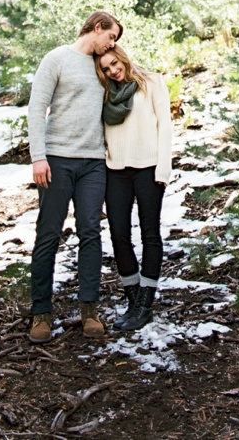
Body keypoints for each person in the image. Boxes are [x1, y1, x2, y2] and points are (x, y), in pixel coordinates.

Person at [26, 9, 122, 345]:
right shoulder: (57, 59)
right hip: (56, 160)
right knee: (49, 235)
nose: (112, 44)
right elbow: (37, 108)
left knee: (91, 233)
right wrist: (38, 156)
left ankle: (89, 309)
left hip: (93, 162)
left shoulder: (102, 65)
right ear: (97, 28)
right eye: (111, 36)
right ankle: (41, 313)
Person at [96, 44, 172, 331]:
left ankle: (145, 305)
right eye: (105, 68)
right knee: (119, 235)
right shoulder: (104, 92)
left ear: (123, 58)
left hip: (149, 168)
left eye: (115, 64)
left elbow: (165, 125)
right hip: (116, 169)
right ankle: (132, 299)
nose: (113, 71)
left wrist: (164, 168)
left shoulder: (152, 82)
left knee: (150, 234)